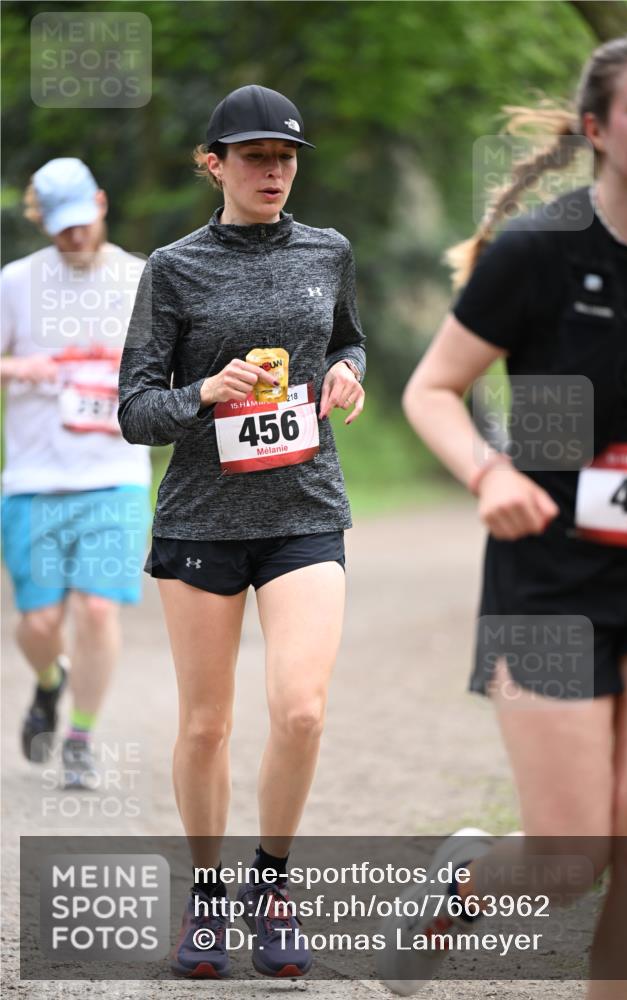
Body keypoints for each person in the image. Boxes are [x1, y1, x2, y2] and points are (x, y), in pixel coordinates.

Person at [378, 32, 627, 1000]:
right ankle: (460, 882)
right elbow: (431, 389)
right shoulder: (541, 253)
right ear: (595, 128)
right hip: (548, 579)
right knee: (568, 859)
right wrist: (487, 472)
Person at [118, 84, 365, 980]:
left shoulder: (328, 250)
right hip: (202, 522)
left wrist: (347, 372)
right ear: (213, 164)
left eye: (285, 157)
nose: (273, 172)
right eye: (255, 157)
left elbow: (347, 339)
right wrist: (204, 393)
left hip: (305, 508)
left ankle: (272, 886)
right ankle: (208, 895)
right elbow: (135, 410)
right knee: (206, 727)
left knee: (300, 709)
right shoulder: (173, 267)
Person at [1, 158, 152, 791]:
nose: (76, 234)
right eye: (61, 226)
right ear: (42, 222)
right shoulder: (16, 282)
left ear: (102, 204)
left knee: (96, 609)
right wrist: (19, 368)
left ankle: (82, 739)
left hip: (115, 475)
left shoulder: (142, 278)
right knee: (39, 624)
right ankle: (49, 680)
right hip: (34, 480)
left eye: (83, 220)